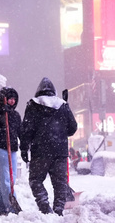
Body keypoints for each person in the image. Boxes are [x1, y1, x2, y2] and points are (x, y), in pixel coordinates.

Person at [20, 77, 78, 215]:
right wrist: (61, 131)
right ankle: (58, 210)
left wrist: (24, 148)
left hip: (40, 152)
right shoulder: (63, 105)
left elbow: (26, 130)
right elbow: (73, 128)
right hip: (60, 152)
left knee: (35, 180)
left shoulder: (32, 105)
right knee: (60, 184)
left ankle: (45, 208)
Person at [0, 86, 22, 215]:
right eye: (9, 98)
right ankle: (13, 208)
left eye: (14, 99)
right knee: (7, 180)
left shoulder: (16, 115)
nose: (12, 101)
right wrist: (2, 112)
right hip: (0, 150)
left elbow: (20, 132)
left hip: (11, 150)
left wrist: (25, 146)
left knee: (10, 181)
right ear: (3, 98)